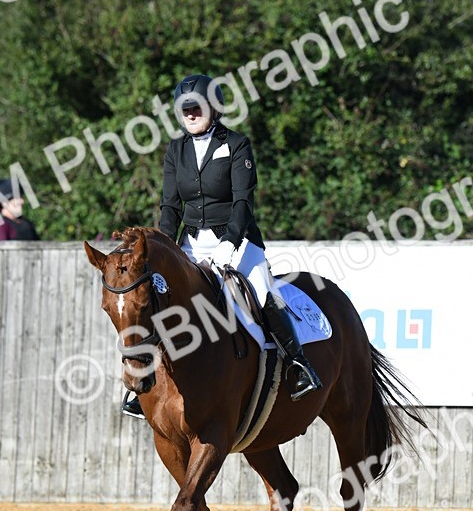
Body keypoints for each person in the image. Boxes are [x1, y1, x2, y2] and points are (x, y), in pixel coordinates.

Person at [121, 73, 322, 418]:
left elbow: (243, 201)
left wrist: (230, 242)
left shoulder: (237, 144)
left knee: (262, 294)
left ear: (214, 108)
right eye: (185, 109)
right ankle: (144, 380)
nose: (191, 114)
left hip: (238, 242)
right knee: (156, 301)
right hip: (190, 246)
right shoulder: (176, 149)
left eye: (197, 108)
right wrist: (163, 249)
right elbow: (170, 207)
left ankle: (297, 366)